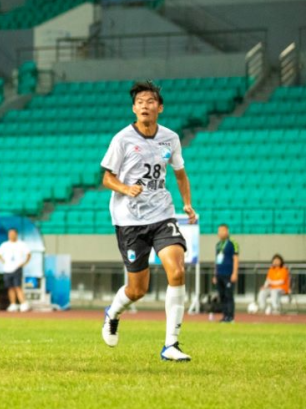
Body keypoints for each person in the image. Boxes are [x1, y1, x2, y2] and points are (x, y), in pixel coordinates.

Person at [100, 81, 196, 361]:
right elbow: (106, 178)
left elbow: (179, 173)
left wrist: (187, 203)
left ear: (160, 107)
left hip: (163, 215)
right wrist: (125, 188)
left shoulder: (171, 138)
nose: (145, 105)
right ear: (134, 108)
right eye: (140, 101)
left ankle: (171, 345)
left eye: (150, 101)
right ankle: (113, 313)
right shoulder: (122, 139)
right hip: (129, 220)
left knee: (176, 271)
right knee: (137, 289)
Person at [0, 228, 31, 312]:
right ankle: (13, 304)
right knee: (10, 287)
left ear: (16, 234)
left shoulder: (21, 244)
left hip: (17, 268)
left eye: (12, 233)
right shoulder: (5, 244)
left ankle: (23, 303)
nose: (11, 235)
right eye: (9, 234)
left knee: (17, 286)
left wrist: (24, 263)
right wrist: (3, 261)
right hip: (7, 269)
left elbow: (28, 254)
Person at [214, 224, 239, 323]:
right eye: (218, 231)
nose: (220, 233)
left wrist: (234, 273)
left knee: (229, 295)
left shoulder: (233, 243)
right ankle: (224, 316)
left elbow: (236, 259)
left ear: (227, 231)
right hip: (220, 273)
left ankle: (230, 317)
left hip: (229, 273)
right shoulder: (218, 245)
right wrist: (215, 274)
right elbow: (216, 260)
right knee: (222, 296)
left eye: (222, 230)